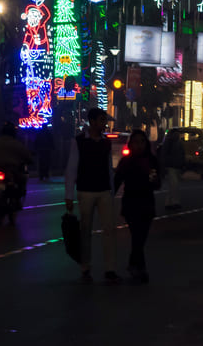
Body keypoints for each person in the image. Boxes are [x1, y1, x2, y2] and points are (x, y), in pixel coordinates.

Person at [64, 108, 120, 284]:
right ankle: (85, 267)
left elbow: (109, 169)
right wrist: (69, 195)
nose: (105, 124)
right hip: (85, 191)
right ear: (93, 122)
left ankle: (110, 269)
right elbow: (72, 167)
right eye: (102, 120)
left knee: (109, 230)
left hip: (103, 191)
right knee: (85, 231)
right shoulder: (79, 141)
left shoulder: (106, 142)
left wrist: (112, 191)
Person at [114, 129, 161, 283]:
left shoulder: (151, 160)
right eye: (135, 142)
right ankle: (140, 269)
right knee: (137, 236)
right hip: (131, 203)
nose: (139, 145)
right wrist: (108, 198)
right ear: (131, 144)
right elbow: (117, 181)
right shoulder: (126, 162)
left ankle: (134, 265)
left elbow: (157, 183)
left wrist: (152, 178)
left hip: (146, 203)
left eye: (141, 142)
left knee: (140, 238)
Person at [0, 122, 33, 203]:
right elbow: (26, 156)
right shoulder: (17, 144)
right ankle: (17, 201)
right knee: (21, 180)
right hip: (11, 169)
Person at [159, 129, 185, 210]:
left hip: (176, 166)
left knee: (172, 185)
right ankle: (175, 202)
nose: (177, 135)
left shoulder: (177, 143)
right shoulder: (170, 143)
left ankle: (168, 202)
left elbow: (182, 154)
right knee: (174, 184)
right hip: (171, 166)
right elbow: (164, 154)